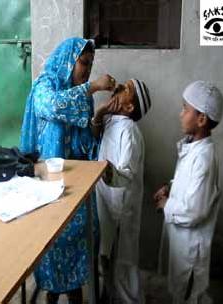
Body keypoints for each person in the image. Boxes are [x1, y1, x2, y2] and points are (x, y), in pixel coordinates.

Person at [20, 37, 116, 303]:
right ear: (69, 60)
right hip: (46, 181)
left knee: (88, 230)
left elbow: (86, 143)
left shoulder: (82, 96)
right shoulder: (46, 84)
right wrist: (92, 88)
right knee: (51, 238)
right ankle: (52, 291)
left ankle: (76, 289)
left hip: (76, 181)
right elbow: (49, 105)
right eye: (83, 62)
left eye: (90, 64)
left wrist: (98, 118)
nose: (86, 69)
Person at [153, 81, 223, 304]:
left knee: (190, 295)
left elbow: (194, 212)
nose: (180, 113)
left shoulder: (203, 158)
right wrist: (170, 186)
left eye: (185, 108)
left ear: (201, 119)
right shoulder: (193, 147)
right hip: (181, 243)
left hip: (191, 249)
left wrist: (167, 205)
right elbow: (186, 182)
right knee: (181, 292)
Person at [92, 79, 151, 304]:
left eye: (127, 89)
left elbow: (126, 173)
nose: (119, 88)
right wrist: (102, 111)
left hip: (122, 202)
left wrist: (107, 172)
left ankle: (129, 298)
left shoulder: (130, 131)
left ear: (129, 107)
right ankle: (112, 294)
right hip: (106, 196)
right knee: (106, 253)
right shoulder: (111, 120)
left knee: (124, 258)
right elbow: (96, 133)